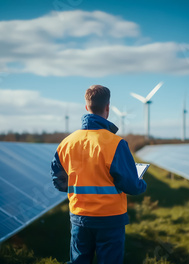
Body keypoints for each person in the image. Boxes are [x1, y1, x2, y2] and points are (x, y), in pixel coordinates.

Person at [50, 85, 147, 263]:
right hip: (110, 220)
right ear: (108, 107)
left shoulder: (66, 143)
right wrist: (141, 182)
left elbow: (59, 182)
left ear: (86, 107)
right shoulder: (116, 144)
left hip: (79, 217)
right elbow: (132, 185)